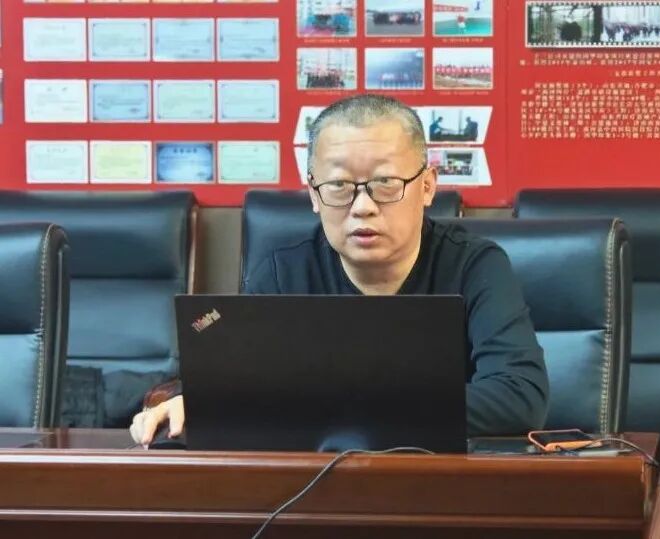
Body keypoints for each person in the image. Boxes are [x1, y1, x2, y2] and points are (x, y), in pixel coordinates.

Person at [129, 94, 549, 446]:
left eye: (386, 183)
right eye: (339, 187)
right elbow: (233, 386)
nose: (363, 206)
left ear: (426, 187)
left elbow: (520, 396)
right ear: (314, 194)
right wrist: (192, 401)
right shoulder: (283, 274)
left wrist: (341, 409)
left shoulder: (475, 266)